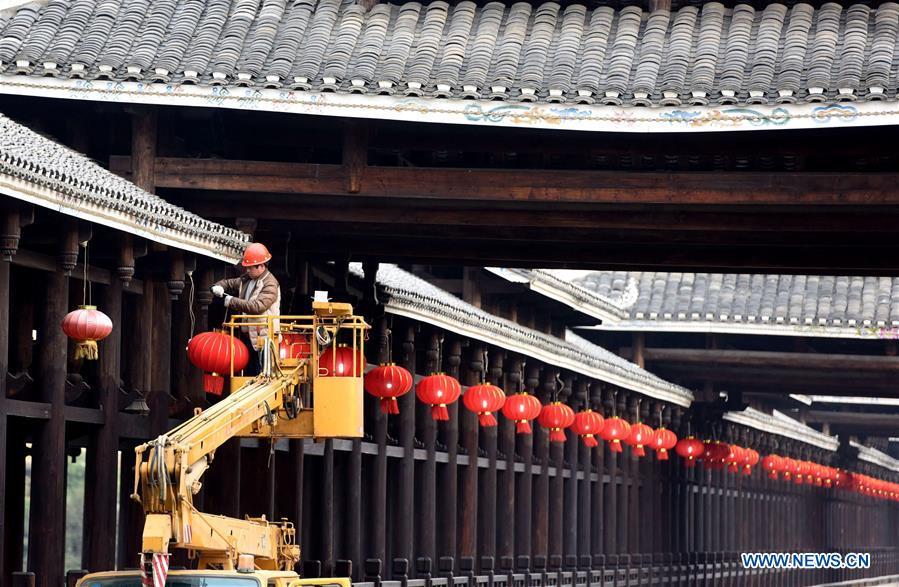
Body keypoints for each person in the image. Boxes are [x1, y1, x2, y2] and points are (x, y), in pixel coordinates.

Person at [212, 242, 281, 374]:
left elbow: (258, 307)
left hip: (264, 338)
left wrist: (232, 301)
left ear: (261, 266)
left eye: (250, 268)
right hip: (249, 335)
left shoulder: (270, 284)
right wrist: (219, 286)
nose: (247, 270)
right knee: (249, 373)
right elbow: (230, 283)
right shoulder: (248, 279)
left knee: (260, 373)